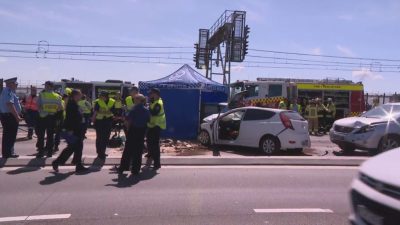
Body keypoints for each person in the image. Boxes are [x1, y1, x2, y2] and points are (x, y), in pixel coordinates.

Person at [52, 89, 88, 173]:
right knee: (72, 147)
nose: (81, 96)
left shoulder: (75, 104)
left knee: (78, 147)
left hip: (77, 129)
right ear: (75, 95)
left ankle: (77, 164)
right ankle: (57, 162)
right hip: (73, 130)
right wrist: (70, 130)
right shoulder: (72, 105)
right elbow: (70, 119)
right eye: (79, 94)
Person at [116, 94, 150, 175]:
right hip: (142, 131)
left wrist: (127, 128)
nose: (134, 100)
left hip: (133, 130)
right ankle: (135, 170)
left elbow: (128, 121)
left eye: (135, 99)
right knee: (138, 151)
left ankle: (123, 167)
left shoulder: (134, 109)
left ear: (138, 100)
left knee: (128, 150)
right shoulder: (146, 110)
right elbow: (148, 121)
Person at [36, 81, 63, 158]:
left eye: (46, 86)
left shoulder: (41, 95)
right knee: (50, 136)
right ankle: (49, 153)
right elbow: (60, 108)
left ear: (50, 87)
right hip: (52, 117)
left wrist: (43, 110)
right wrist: (53, 110)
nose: (45, 87)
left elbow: (38, 106)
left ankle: (40, 152)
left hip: (42, 117)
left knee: (41, 136)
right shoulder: (58, 96)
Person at [0, 77, 22, 158]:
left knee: (7, 135)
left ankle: (7, 153)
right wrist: (17, 117)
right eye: (15, 83)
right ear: (10, 84)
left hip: (6, 116)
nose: (16, 85)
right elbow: (9, 104)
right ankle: (8, 153)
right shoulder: (8, 91)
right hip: (10, 116)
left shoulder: (7, 91)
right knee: (10, 135)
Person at [146, 88, 166, 170]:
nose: (150, 95)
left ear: (156, 94)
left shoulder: (158, 103)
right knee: (149, 142)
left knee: (155, 145)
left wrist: (147, 108)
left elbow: (154, 113)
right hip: (151, 125)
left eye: (151, 94)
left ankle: (157, 164)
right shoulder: (153, 102)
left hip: (157, 125)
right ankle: (150, 156)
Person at [92, 91, 115, 160]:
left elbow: (113, 111)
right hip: (99, 122)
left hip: (108, 121)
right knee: (99, 138)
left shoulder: (112, 101)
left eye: (101, 96)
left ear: (106, 96)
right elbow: (95, 112)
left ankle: (103, 152)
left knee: (106, 138)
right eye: (100, 96)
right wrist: (93, 121)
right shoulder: (98, 102)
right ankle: (99, 153)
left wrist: (102, 111)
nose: (100, 97)